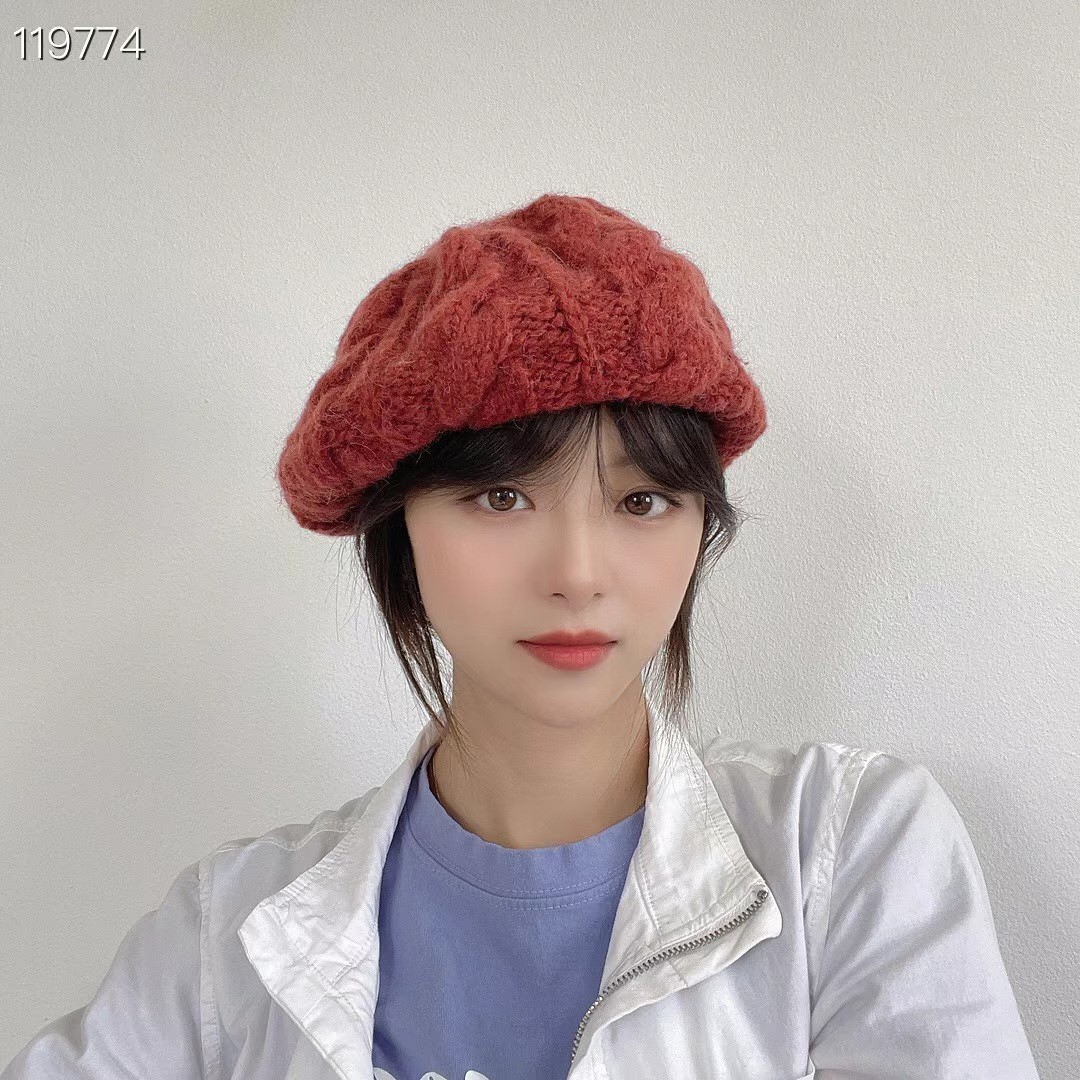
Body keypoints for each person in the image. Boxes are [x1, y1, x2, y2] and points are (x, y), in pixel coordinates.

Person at [2, 194, 1041, 1080]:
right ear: (401, 528)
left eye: (642, 501)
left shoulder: (848, 852)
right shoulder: (228, 935)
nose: (578, 574)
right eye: (501, 497)